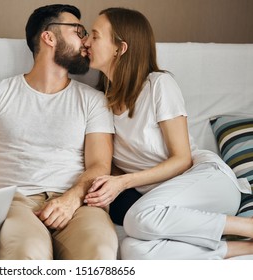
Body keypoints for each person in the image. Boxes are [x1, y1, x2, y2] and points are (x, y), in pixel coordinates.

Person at [0, 4, 118, 260]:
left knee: (99, 254)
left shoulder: (93, 100)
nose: (85, 40)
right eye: (78, 30)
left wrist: (70, 200)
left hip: (78, 203)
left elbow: (100, 164)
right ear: (49, 37)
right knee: (27, 255)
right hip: (15, 203)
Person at [84, 7, 253, 259]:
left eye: (95, 36)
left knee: (138, 218)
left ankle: (248, 228)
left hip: (207, 182)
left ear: (120, 48)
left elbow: (182, 159)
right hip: (165, 205)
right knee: (133, 251)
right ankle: (239, 248)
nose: (86, 42)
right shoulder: (100, 103)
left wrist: (122, 183)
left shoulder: (158, 85)